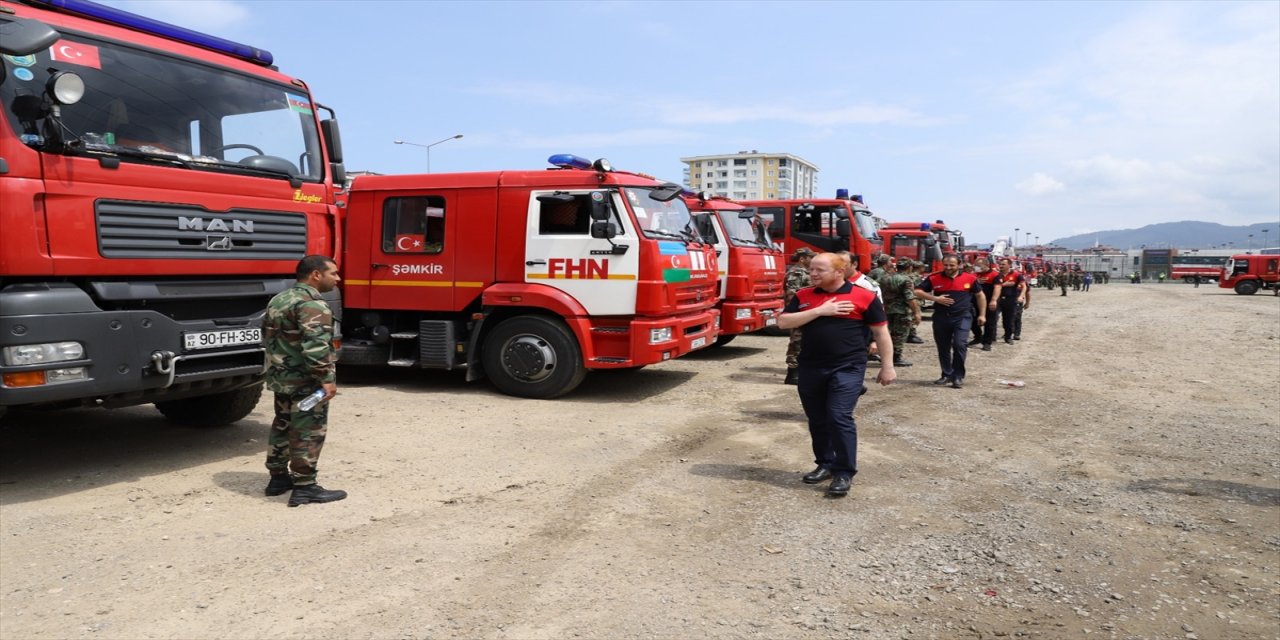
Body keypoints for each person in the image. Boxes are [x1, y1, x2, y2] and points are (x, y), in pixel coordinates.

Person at [777, 252, 895, 497]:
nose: (813, 274)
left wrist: (887, 366)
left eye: (819, 270)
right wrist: (821, 311)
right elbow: (784, 322)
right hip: (810, 367)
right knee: (817, 418)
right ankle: (825, 464)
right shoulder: (804, 296)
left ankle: (843, 472)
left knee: (838, 416)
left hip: (848, 367)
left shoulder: (864, 296)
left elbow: (881, 333)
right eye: (811, 269)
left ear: (839, 271)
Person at [263, 255, 347, 507]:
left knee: (283, 424)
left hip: (282, 377)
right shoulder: (313, 305)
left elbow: (268, 337)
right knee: (307, 431)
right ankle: (305, 486)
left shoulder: (280, 299)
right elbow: (316, 347)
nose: (338, 279)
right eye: (333, 273)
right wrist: (326, 379)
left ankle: (278, 478)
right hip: (305, 382)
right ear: (315, 275)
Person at [914, 254, 985, 389]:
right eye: (945, 265)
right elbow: (917, 291)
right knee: (943, 347)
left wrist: (982, 315)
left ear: (959, 265)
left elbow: (980, 296)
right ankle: (946, 374)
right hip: (941, 317)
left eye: (951, 265)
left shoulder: (970, 279)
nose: (948, 268)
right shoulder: (934, 278)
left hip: (962, 316)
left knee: (959, 344)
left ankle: (958, 376)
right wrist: (935, 298)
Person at [878, 258, 922, 367]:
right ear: (909, 267)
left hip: (886, 310)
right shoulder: (906, 279)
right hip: (901, 311)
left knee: (887, 334)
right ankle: (896, 358)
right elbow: (909, 297)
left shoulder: (884, 277)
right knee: (900, 335)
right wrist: (916, 312)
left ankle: (885, 356)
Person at [783, 247, 815, 385]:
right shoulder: (796, 272)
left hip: (805, 312)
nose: (813, 260)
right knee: (797, 340)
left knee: (803, 342)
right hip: (798, 312)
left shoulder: (805, 272)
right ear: (802, 259)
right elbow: (792, 294)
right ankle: (792, 374)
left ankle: (800, 372)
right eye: (810, 257)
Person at [989, 259, 1026, 345]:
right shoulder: (996, 274)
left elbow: (1024, 287)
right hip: (997, 299)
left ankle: (1008, 337)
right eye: (1000, 264)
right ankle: (992, 337)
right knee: (993, 318)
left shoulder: (1016, 275)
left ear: (1009, 265)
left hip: (1011, 300)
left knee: (1008, 320)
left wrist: (1021, 296)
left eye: (1003, 264)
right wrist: (1004, 284)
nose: (1001, 266)